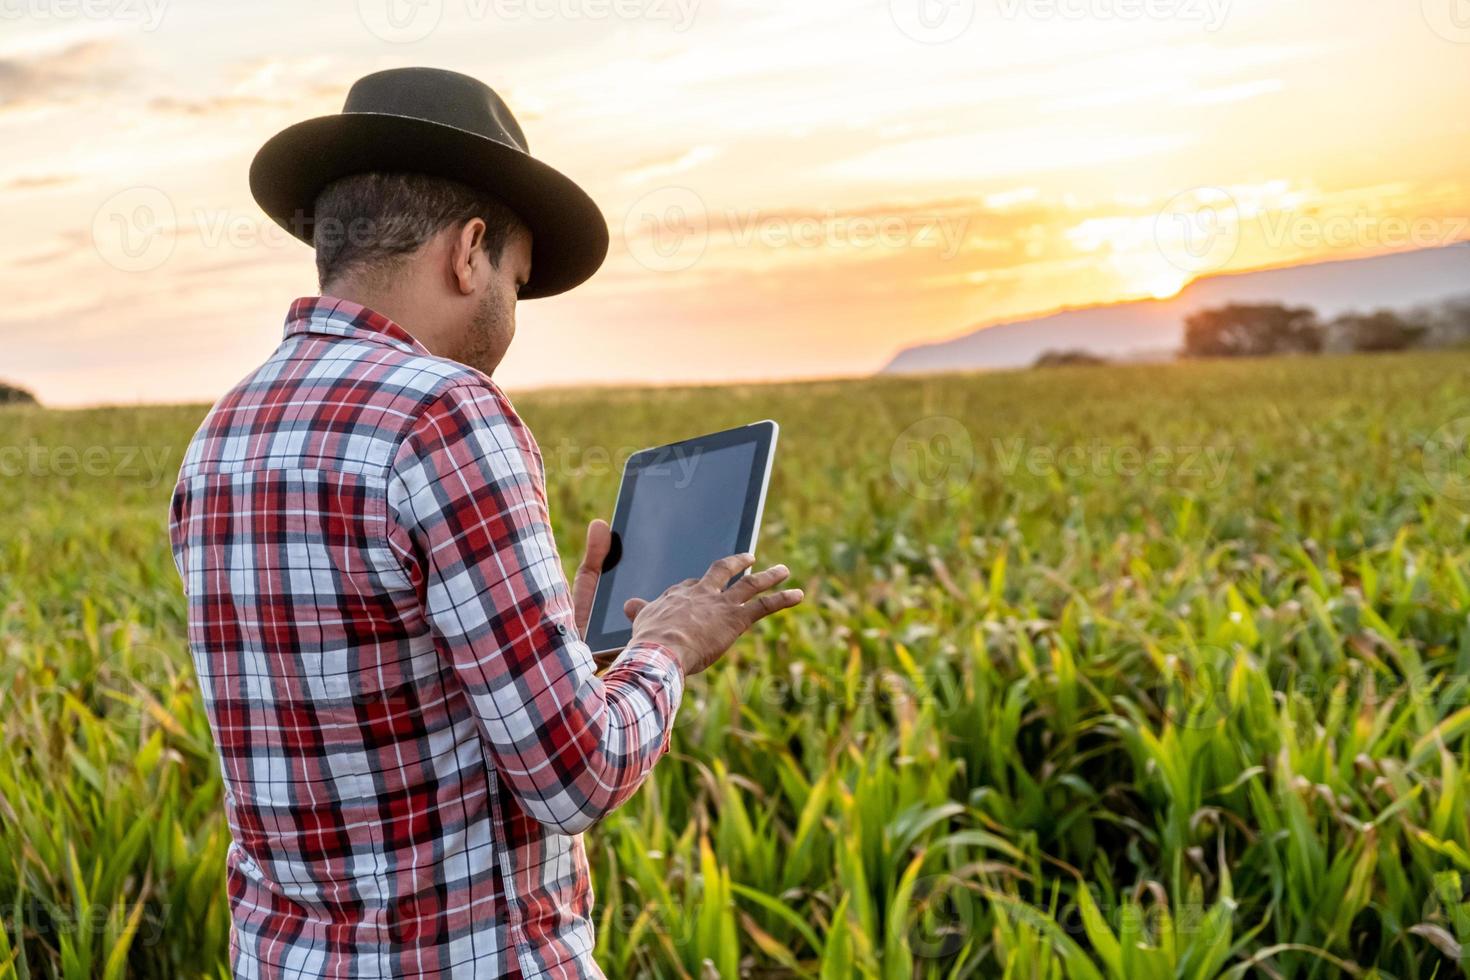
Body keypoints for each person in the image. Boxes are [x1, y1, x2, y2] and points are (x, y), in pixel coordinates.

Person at [168, 66, 803, 979]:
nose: (510, 313)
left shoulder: (222, 434)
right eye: (515, 275)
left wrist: (566, 645)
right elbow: (573, 776)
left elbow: (377, 703)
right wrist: (671, 642)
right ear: (469, 252)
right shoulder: (443, 411)